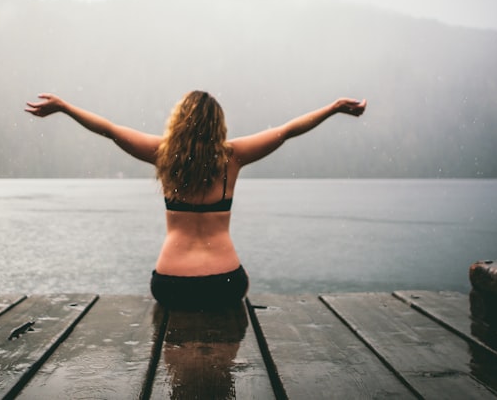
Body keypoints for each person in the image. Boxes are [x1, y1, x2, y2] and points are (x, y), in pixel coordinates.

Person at [25, 90, 366, 311]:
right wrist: (334, 108)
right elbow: (290, 129)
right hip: (225, 282)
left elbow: (110, 129)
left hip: (171, 283)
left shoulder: (163, 154)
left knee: (176, 370)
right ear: (218, 125)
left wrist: (65, 108)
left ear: (179, 123)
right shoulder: (233, 157)